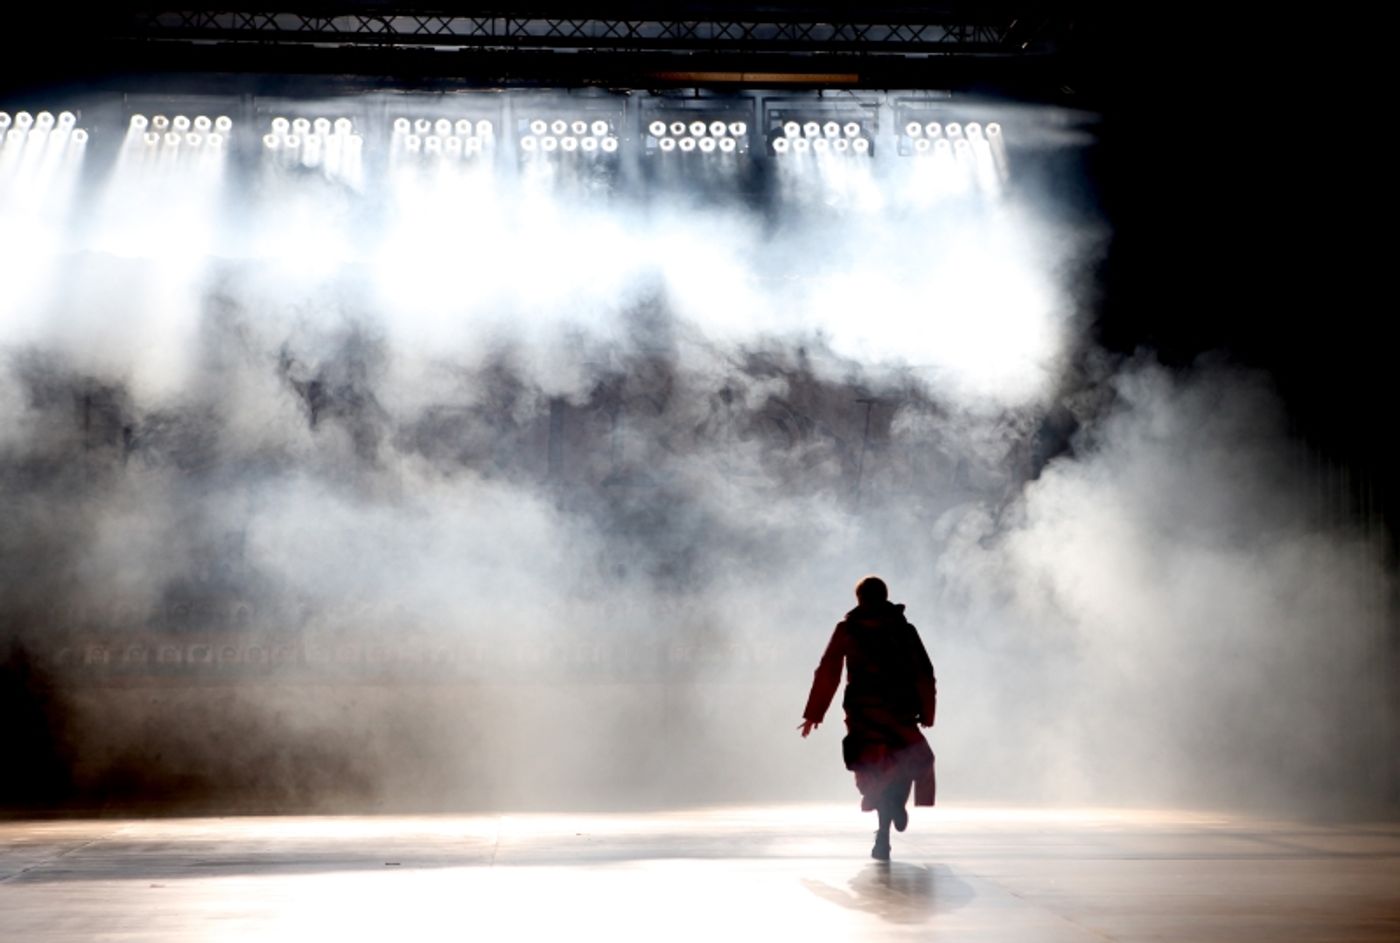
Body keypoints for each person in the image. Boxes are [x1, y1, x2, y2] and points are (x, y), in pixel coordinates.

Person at [799, 576, 936, 861]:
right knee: (907, 761)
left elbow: (828, 670)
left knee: (871, 768)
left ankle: (881, 826)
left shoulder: (847, 630)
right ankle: (895, 807)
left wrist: (814, 714)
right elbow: (923, 672)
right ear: (885, 597)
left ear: (859, 599)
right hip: (899, 711)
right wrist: (927, 711)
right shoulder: (904, 630)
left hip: (862, 714)